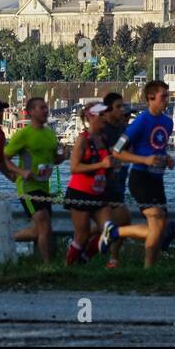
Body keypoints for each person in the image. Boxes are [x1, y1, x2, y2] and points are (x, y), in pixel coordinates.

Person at [101, 80, 175, 268]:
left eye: (168, 96)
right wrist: (144, 160)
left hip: (157, 179)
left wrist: (167, 158)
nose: (166, 100)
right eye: (163, 96)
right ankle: (147, 267)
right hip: (140, 178)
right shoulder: (141, 121)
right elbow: (117, 150)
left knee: (159, 226)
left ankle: (118, 236)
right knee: (157, 218)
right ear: (150, 98)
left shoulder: (168, 123)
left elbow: (156, 147)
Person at [6, 96, 65, 262]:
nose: (45, 111)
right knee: (44, 223)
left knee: (40, 230)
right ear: (30, 112)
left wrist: (63, 156)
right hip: (27, 187)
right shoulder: (23, 134)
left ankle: (5, 238)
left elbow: (54, 160)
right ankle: (47, 264)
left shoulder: (50, 134)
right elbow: (4, 158)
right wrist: (20, 172)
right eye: (41, 108)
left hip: (44, 187)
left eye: (46, 107)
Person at [63, 102, 116, 265]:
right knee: (82, 234)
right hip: (80, 192)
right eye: (101, 115)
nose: (105, 119)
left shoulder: (104, 139)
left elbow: (108, 166)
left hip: (99, 193)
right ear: (91, 117)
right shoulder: (82, 139)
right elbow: (74, 167)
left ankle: (84, 260)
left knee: (109, 230)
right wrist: (101, 165)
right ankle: (70, 265)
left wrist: (112, 168)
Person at [97, 92, 131, 267]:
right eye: (119, 107)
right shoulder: (102, 129)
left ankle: (111, 257)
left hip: (118, 181)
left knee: (121, 219)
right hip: (102, 183)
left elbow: (125, 149)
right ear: (108, 110)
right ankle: (110, 257)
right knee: (121, 217)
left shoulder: (123, 130)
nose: (123, 111)